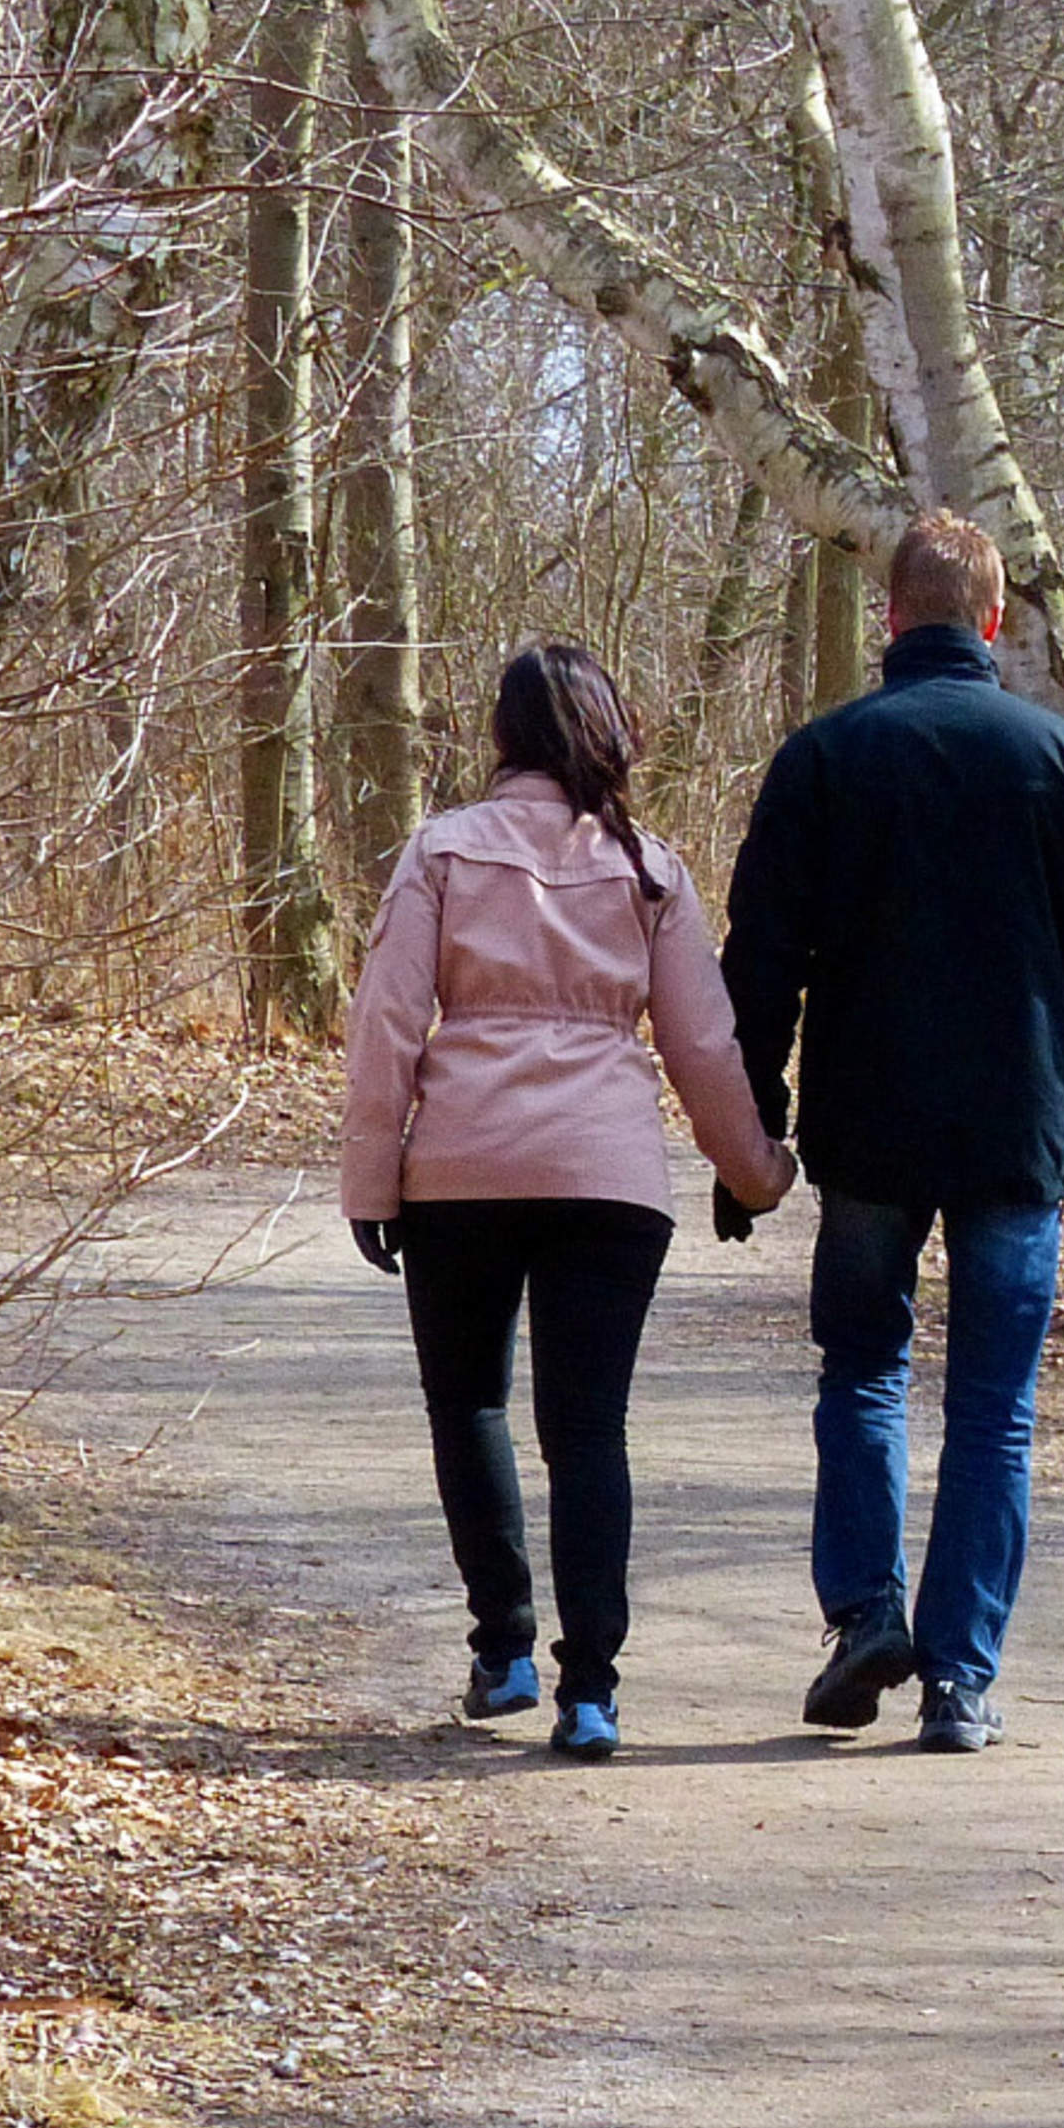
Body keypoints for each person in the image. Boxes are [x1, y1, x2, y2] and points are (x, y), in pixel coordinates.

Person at [722, 511, 1064, 1754]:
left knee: (864, 1368)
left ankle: (868, 1613)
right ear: (994, 620)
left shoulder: (826, 758)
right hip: (1019, 1129)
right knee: (993, 1408)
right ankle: (960, 1679)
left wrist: (751, 1123)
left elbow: (759, 958)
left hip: (868, 1125)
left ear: (891, 616)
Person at [338, 640, 794, 1762]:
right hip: (609, 1177)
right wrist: (755, 1172)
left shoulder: (443, 849)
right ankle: (591, 1691)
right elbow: (703, 1044)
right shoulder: (648, 868)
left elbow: (387, 1023)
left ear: (502, 737)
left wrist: (371, 1179)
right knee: (588, 1429)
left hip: (461, 1170)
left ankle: (503, 1648)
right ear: (607, 732)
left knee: (469, 1404)